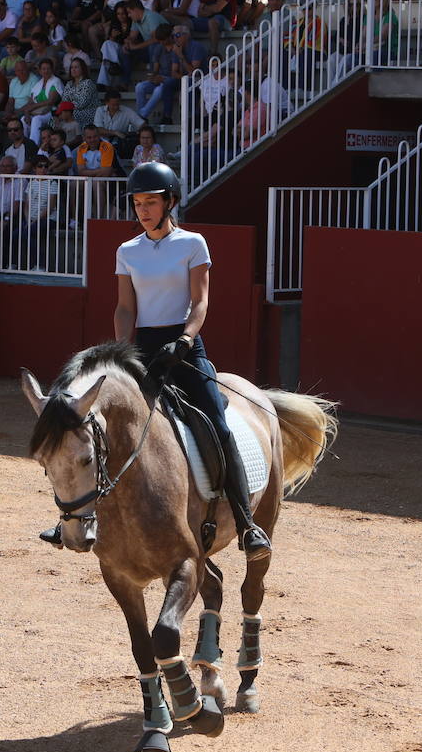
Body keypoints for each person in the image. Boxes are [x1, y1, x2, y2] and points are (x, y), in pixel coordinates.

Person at [39, 162, 272, 559]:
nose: (142, 210)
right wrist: (120, 353)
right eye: (137, 203)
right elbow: (125, 308)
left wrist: (183, 340)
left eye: (150, 202)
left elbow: (200, 302)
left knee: (217, 424)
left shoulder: (193, 243)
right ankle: (72, 519)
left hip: (184, 349)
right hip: (142, 351)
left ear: (171, 202)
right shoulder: (127, 251)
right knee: (103, 429)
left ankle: (247, 521)